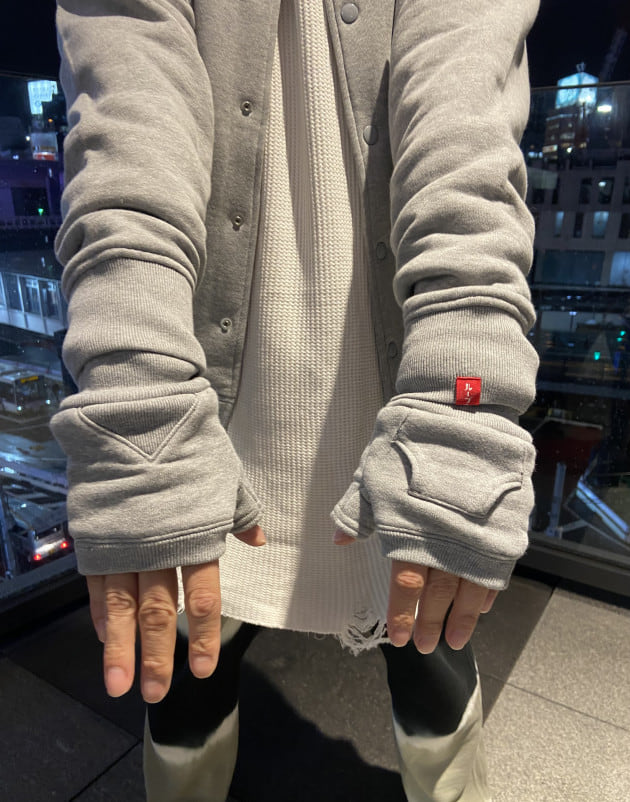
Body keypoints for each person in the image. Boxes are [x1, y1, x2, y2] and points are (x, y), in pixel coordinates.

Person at [52, 1, 540, 800]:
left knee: (434, 656)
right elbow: (128, 141)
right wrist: (136, 391)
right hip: (204, 389)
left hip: (405, 387)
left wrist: (466, 395)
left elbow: (467, 149)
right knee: (182, 670)